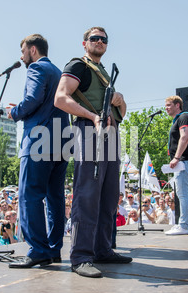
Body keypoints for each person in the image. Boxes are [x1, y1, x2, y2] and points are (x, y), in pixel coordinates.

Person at [54, 26, 131, 278]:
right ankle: (81, 256)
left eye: (103, 39)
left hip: (111, 132)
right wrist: (91, 116)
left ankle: (102, 249)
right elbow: (61, 98)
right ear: (84, 43)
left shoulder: (104, 72)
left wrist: (120, 100)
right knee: (87, 195)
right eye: (94, 38)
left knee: (109, 195)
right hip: (88, 130)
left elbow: (122, 111)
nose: (99, 42)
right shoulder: (78, 65)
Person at [6, 34, 69, 269]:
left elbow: (32, 98)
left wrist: (14, 112)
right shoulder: (58, 71)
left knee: (29, 195)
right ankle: (53, 250)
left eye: (23, 51)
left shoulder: (36, 68)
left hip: (38, 141)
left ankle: (38, 250)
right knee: (55, 198)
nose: (21, 57)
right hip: (61, 141)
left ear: (32, 50)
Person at [164, 95, 188, 235]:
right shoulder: (178, 120)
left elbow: (185, 137)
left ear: (178, 105)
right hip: (181, 162)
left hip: (183, 161)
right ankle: (183, 224)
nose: (166, 108)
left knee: (183, 195)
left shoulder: (184, 117)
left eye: (169, 105)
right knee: (181, 194)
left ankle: (185, 225)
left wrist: (176, 157)